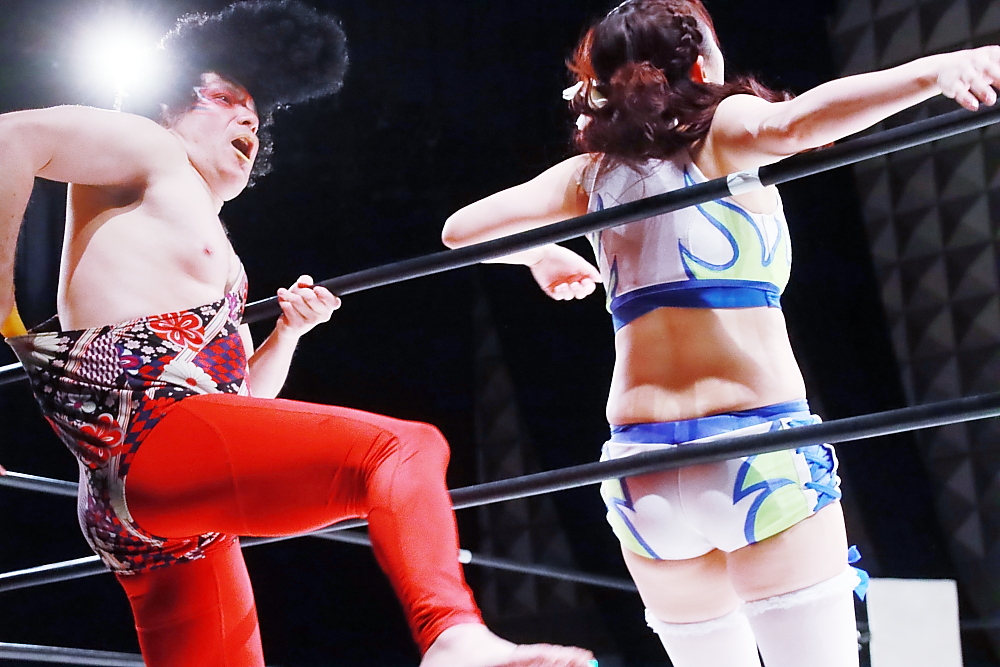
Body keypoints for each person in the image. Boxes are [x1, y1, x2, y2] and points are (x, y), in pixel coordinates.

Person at [0, 2, 597, 667]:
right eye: (224, 97)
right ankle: (452, 634)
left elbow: (235, 408)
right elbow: (10, 139)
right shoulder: (148, 144)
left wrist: (285, 334)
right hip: (150, 440)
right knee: (400, 450)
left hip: (147, 487)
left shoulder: (212, 248)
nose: (248, 120)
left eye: (256, 114)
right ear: (167, 103)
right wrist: (3, 311)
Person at [441, 2, 1000, 666]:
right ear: (702, 67)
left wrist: (538, 254)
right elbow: (797, 123)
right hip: (751, 446)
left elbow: (461, 232)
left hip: (641, 470)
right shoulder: (720, 131)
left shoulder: (590, 177)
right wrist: (935, 72)